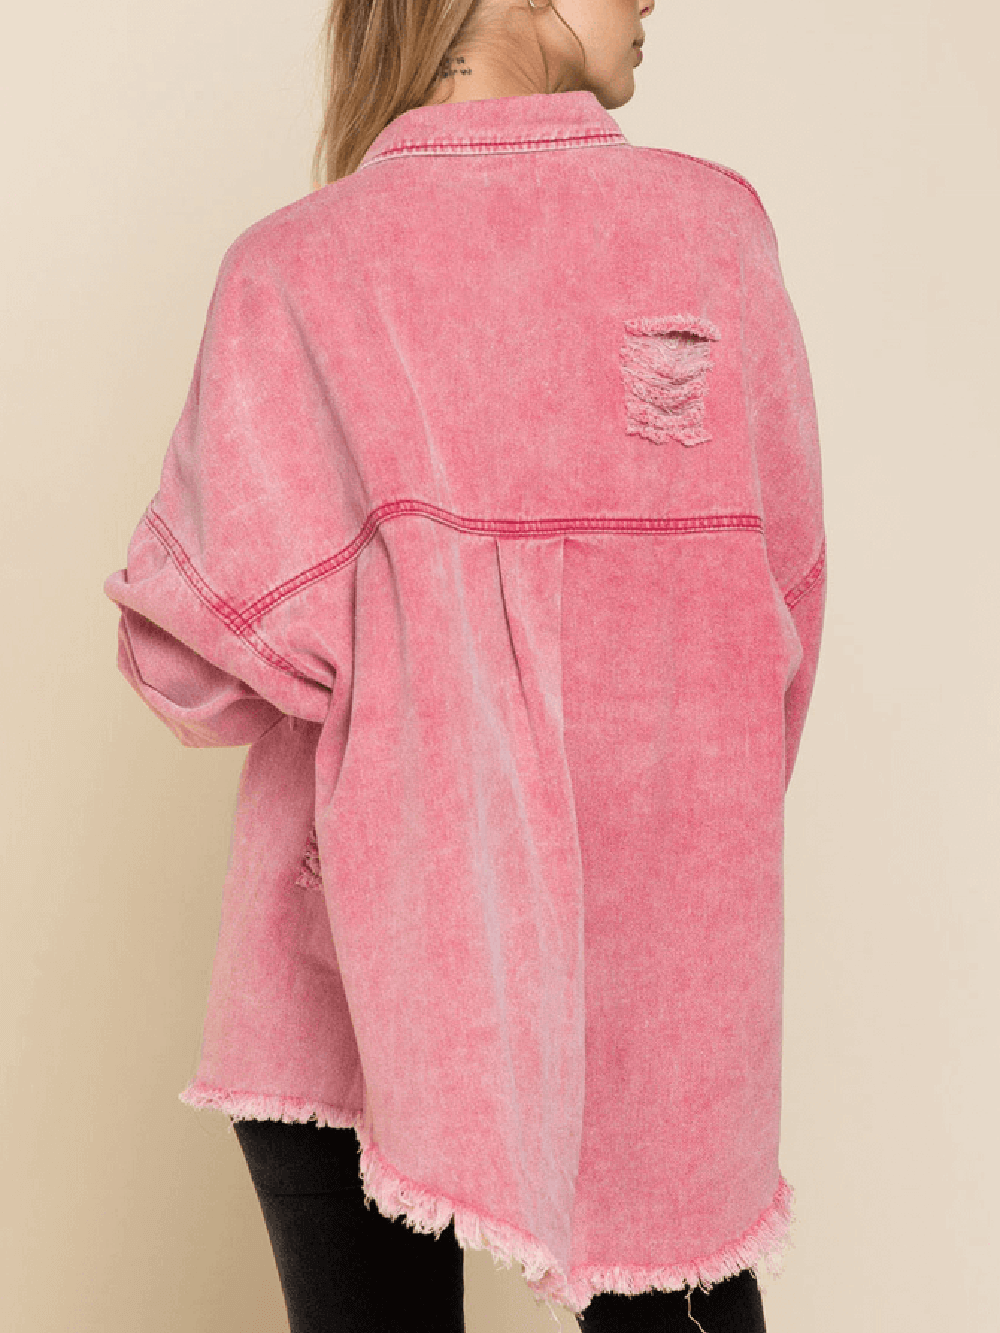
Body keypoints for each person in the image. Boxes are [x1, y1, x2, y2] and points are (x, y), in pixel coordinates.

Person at [103, 0, 827, 1327]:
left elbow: (189, 668)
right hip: (668, 971)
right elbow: (781, 627)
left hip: (348, 955)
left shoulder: (297, 269)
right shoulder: (712, 233)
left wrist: (409, 608)